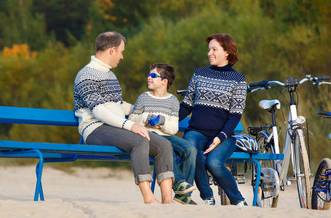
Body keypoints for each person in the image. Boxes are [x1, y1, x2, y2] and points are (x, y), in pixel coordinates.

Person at [73, 31, 174, 204]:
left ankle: (167, 200)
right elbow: (99, 111)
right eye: (121, 51)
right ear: (112, 51)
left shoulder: (110, 74)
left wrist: (143, 112)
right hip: (95, 129)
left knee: (164, 145)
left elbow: (119, 104)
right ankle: (149, 198)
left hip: (116, 128)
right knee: (139, 141)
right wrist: (131, 125)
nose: (122, 56)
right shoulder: (86, 75)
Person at [179, 33, 248, 206]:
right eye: (209, 49)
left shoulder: (238, 80)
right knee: (192, 152)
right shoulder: (200, 74)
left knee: (214, 163)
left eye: (214, 49)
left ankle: (238, 200)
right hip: (196, 132)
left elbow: (235, 115)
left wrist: (219, 138)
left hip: (223, 137)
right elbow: (186, 105)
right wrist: (168, 121)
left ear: (227, 52)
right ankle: (208, 197)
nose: (209, 53)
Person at [129, 63, 198, 205]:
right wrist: (146, 118)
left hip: (166, 135)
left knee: (190, 149)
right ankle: (180, 184)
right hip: (149, 136)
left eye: (153, 75)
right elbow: (132, 120)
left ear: (164, 81)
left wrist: (162, 121)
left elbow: (173, 129)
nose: (149, 77)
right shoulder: (143, 98)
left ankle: (184, 195)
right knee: (167, 148)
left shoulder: (173, 101)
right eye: (149, 74)